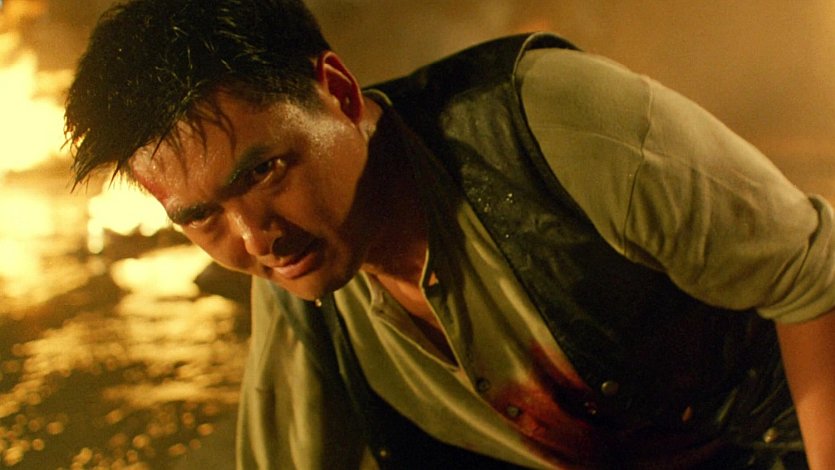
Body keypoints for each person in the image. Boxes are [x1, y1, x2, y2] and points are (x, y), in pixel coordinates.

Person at [64, 0, 835, 468]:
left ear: (336, 92)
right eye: (200, 216)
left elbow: (812, 274)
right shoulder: (300, 287)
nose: (255, 237)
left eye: (264, 170)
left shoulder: (550, 123)